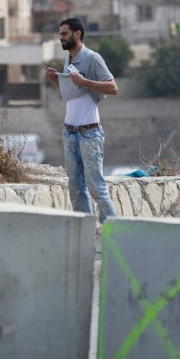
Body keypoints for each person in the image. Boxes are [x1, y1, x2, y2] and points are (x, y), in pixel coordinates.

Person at [45, 17, 118, 224]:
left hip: (89, 132)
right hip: (70, 132)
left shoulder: (92, 58)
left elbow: (113, 88)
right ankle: (85, 234)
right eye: (60, 34)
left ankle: (116, 235)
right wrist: (55, 82)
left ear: (77, 34)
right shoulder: (68, 59)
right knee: (75, 187)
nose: (60, 38)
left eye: (64, 34)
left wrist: (85, 81)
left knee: (96, 186)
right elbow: (73, 94)